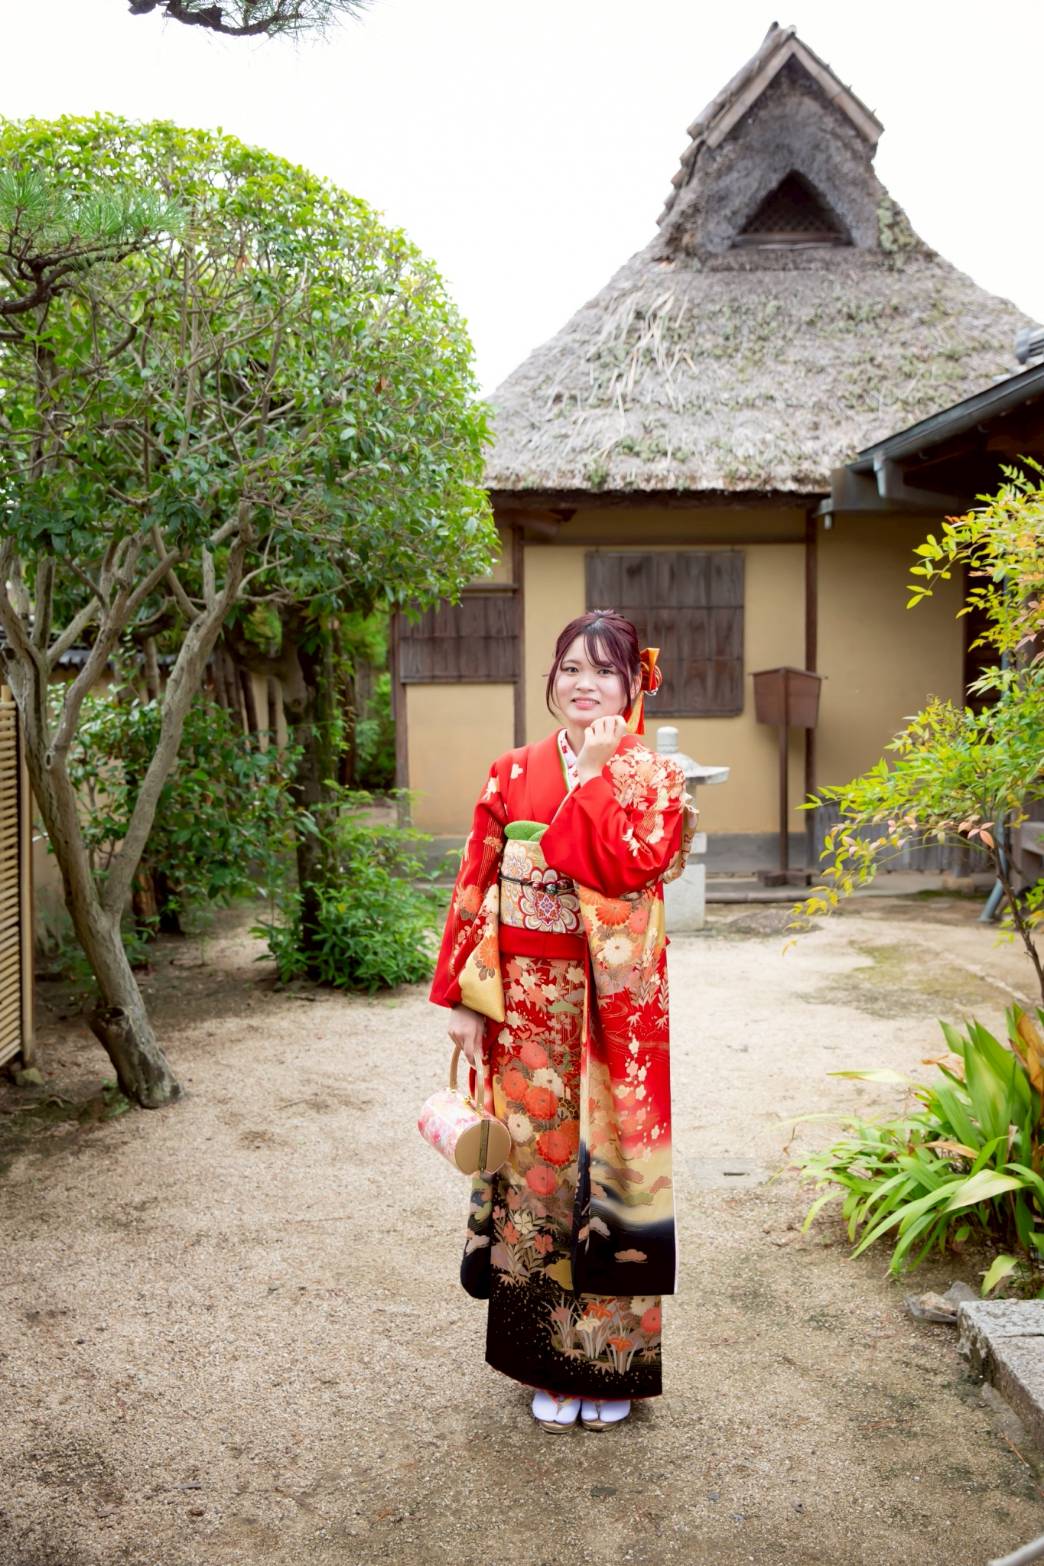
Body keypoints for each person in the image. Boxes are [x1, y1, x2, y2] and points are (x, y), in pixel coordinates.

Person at [429, 609, 695, 1432]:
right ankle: (544, 1358)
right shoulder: (511, 771)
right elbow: (476, 885)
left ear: (634, 684)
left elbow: (623, 871)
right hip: (525, 1012)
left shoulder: (656, 778)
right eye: (571, 668)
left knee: (609, 1183)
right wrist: (464, 999)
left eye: (605, 670)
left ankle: (607, 1366)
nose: (586, 685)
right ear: (552, 679)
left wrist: (598, 775)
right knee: (534, 1182)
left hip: (611, 1014)